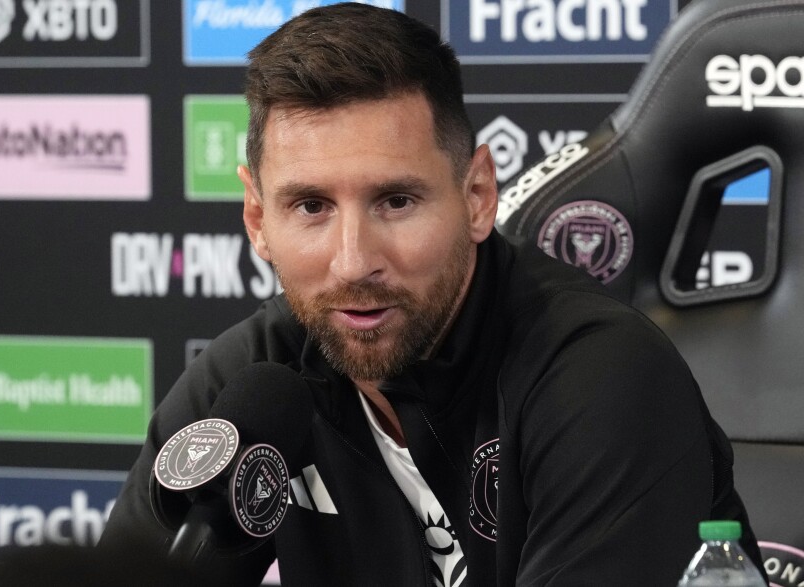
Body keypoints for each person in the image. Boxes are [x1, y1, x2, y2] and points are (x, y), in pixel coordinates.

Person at [99, 3, 763, 585]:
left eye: (395, 200)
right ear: (256, 219)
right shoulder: (246, 387)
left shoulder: (603, 380)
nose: (354, 260)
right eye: (310, 206)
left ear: (477, 197)